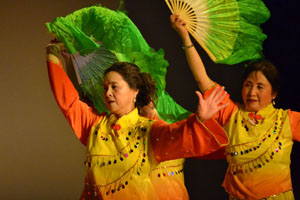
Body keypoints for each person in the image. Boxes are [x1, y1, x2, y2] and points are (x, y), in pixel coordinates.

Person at [46, 40, 228, 200]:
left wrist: (200, 120)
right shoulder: (95, 126)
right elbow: (68, 101)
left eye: (114, 87)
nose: (107, 92)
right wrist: (52, 55)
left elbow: (176, 134)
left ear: (135, 91)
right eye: (105, 87)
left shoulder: (148, 130)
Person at [170, 14, 300, 200]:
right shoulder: (231, 114)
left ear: (274, 94)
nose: (252, 92)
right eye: (248, 84)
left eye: (260, 87)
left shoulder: (287, 120)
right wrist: (185, 37)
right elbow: (202, 79)